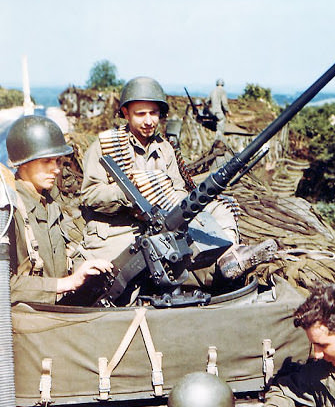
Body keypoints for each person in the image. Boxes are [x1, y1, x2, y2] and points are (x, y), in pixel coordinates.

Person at [80, 76, 276, 288]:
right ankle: (213, 271)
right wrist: (127, 194)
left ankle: (228, 256)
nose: (148, 121)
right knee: (127, 276)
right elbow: (90, 195)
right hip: (120, 229)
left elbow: (177, 191)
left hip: (160, 224)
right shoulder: (104, 146)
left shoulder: (164, 149)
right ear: (125, 113)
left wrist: (193, 208)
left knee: (218, 208)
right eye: (140, 114)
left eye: (153, 113)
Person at [5, 115, 112, 304]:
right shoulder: (9, 212)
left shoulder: (51, 203)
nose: (56, 169)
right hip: (28, 320)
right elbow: (6, 286)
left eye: (56, 161)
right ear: (23, 162)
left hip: (56, 310)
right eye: (46, 161)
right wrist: (66, 284)